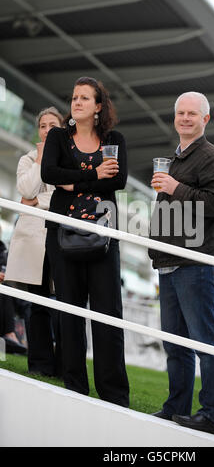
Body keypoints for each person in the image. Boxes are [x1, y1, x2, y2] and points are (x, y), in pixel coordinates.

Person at [41, 76, 129, 407]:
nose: (76, 102)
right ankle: (75, 388)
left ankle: (115, 396)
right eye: (74, 97)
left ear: (98, 106)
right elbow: (49, 173)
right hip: (62, 235)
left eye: (84, 98)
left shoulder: (114, 138)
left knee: (108, 315)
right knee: (70, 314)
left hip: (103, 236)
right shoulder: (58, 137)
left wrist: (72, 182)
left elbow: (118, 179)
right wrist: (92, 176)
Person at [149, 91, 214, 435]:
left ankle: (210, 416)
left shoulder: (212, 157)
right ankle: (176, 408)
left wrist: (175, 187)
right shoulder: (175, 158)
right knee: (175, 345)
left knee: (204, 341)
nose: (185, 118)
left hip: (196, 263)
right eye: (180, 113)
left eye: (192, 114)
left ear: (205, 120)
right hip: (169, 261)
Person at [5, 107, 63, 376]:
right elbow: (26, 189)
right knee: (36, 304)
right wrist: (41, 160)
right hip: (32, 240)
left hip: (60, 236)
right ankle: (40, 364)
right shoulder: (28, 160)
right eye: (43, 125)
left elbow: (65, 199)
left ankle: (64, 365)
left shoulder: (70, 159)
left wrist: (36, 202)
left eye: (53, 124)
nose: (47, 129)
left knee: (62, 304)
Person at [0, 239, 26, 354]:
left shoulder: (2, 249)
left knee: (27, 302)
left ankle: (13, 337)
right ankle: (10, 335)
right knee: (5, 290)